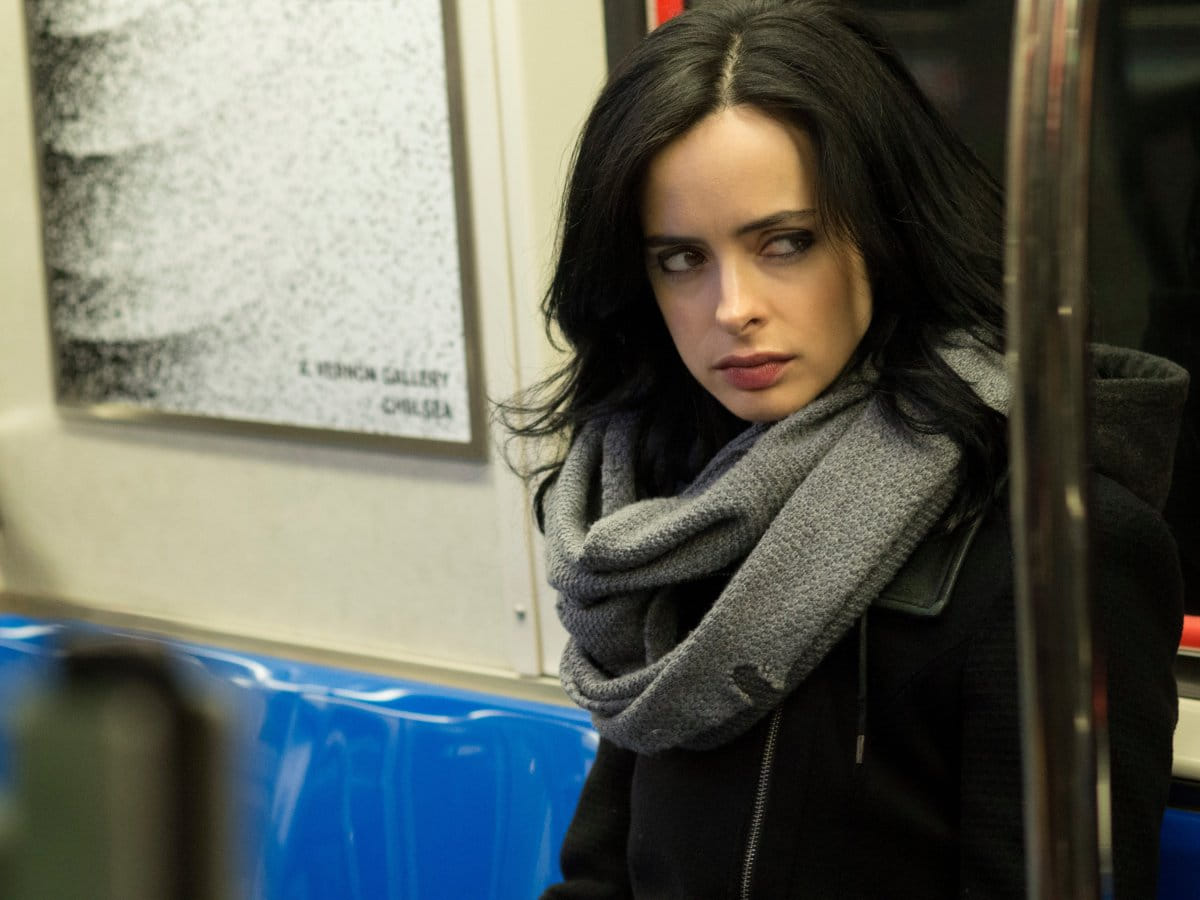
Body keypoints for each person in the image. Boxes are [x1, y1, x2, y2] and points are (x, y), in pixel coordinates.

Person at [500, 1, 1188, 896]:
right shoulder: (669, 511)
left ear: (887, 231)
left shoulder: (1053, 545)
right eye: (681, 259)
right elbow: (601, 877)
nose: (733, 308)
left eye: (786, 243)